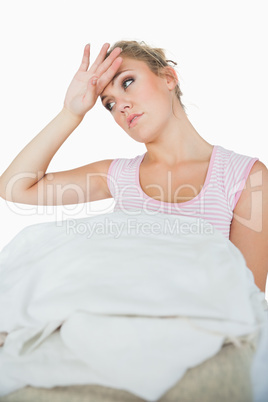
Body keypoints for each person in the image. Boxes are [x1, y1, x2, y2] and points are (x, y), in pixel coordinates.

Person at [0, 41, 267, 293]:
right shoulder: (117, 177)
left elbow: (248, 300)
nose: (121, 107)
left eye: (127, 82)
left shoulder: (245, 177)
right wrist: (71, 113)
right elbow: (16, 188)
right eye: (109, 104)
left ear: (168, 78)